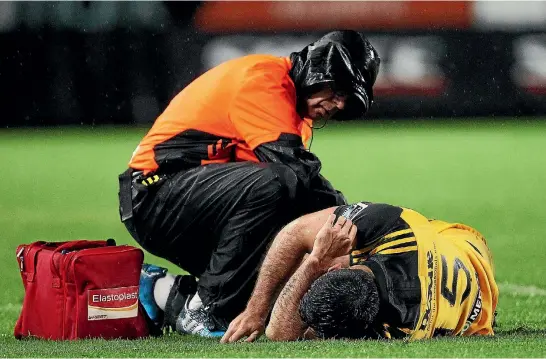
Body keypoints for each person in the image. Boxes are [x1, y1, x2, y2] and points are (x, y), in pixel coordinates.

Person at [118, 30, 381, 337]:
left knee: (269, 283)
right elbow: (297, 179)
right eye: (337, 92)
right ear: (318, 71)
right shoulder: (265, 81)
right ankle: (204, 308)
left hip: (188, 203)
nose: (337, 106)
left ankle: (160, 290)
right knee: (281, 183)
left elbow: (289, 203)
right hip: (154, 194)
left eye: (345, 101)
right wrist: (359, 225)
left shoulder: (296, 117)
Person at [222, 202, 498, 342]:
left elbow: (280, 333)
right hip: (464, 248)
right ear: (339, 268)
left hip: (473, 278)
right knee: (327, 234)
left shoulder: (390, 331)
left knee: (324, 244)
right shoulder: (393, 225)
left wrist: (313, 262)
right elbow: (295, 231)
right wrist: (254, 311)